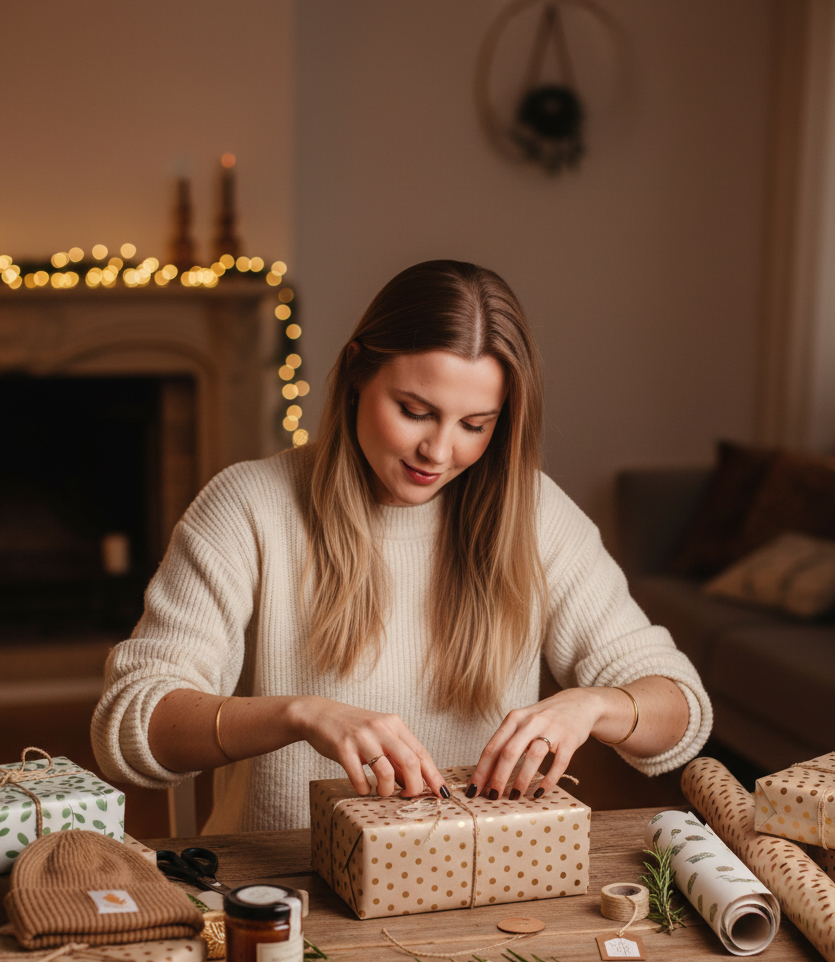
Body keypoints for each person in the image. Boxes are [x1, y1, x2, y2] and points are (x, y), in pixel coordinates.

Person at [92, 260, 711, 832]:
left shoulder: (535, 513)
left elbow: (681, 709)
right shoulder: (249, 506)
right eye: (415, 410)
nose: (439, 453)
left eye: (475, 425)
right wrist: (299, 715)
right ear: (358, 372)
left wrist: (592, 706)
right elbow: (129, 726)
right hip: (283, 893)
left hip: (476, 889)